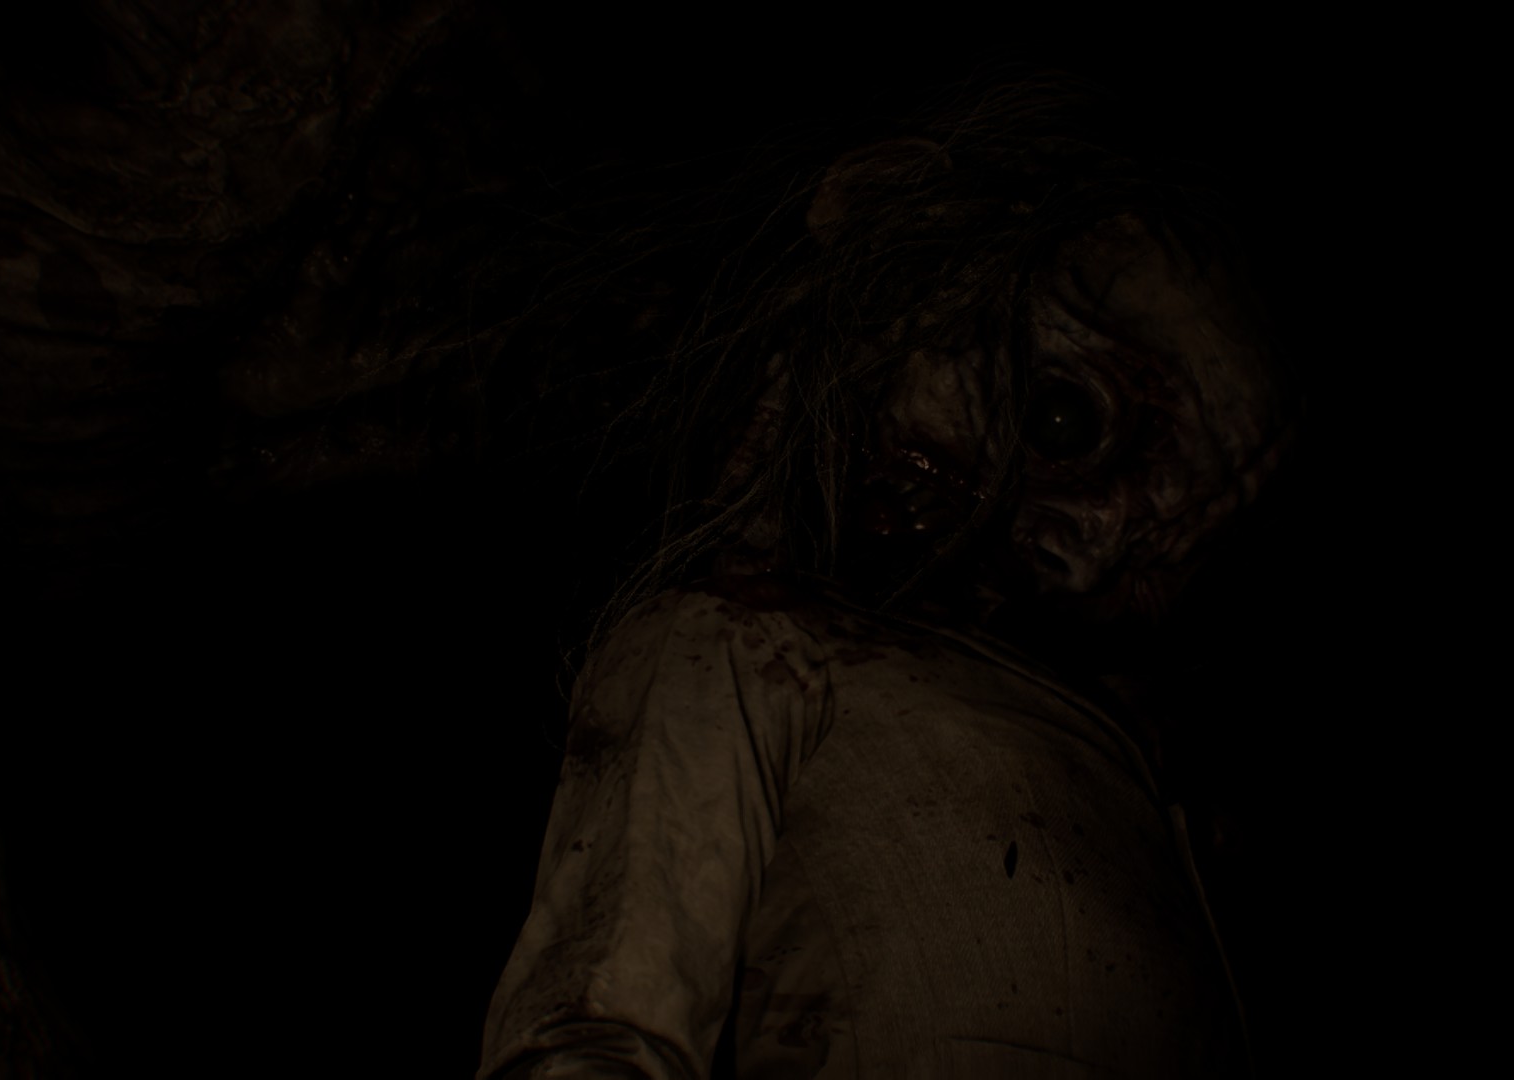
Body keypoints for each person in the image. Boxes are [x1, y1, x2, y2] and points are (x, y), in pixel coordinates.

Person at [479, 84, 1291, 1079]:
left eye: (1162, 563)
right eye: (1066, 418)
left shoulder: (1151, 785)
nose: (1084, 559)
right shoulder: (745, 650)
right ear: (903, 219)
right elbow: (593, 1035)